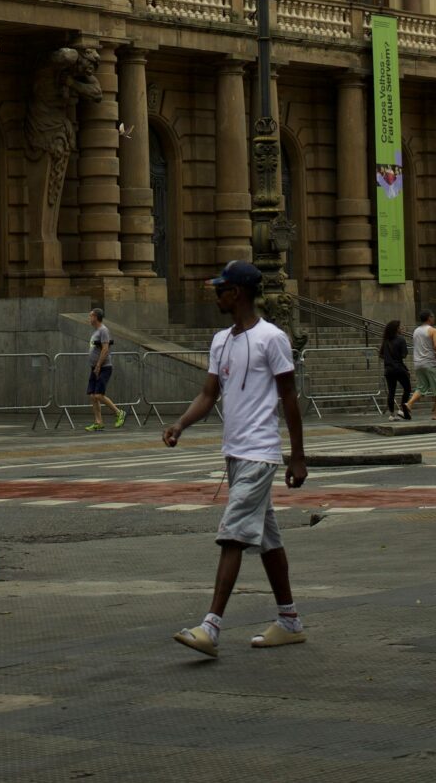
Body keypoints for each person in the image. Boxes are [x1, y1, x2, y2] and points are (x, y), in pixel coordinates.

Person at [163, 260, 308, 657]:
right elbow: (209, 395)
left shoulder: (271, 338)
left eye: (221, 288)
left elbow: (289, 397)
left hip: (260, 454)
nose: (216, 294)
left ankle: (211, 626)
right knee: (268, 541)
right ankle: (290, 621)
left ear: (238, 293)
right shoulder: (221, 340)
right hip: (235, 452)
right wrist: (180, 424)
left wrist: (296, 456)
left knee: (232, 535)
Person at [84, 308, 124, 430]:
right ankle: (98, 422)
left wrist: (99, 365)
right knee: (92, 395)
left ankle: (119, 413)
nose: (89, 318)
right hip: (95, 368)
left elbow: (105, 349)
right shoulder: (96, 331)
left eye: (90, 316)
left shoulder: (103, 330)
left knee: (99, 395)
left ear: (96, 317)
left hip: (103, 367)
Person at [409, 310, 436, 422]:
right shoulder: (433, 330)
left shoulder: (416, 331)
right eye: (433, 316)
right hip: (430, 362)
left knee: (421, 387)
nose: (434, 318)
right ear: (429, 318)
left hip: (418, 363)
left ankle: (408, 404)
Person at [379, 320, 412, 420]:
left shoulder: (386, 340)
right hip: (399, 368)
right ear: (396, 329)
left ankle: (391, 414)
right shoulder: (401, 339)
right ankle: (403, 410)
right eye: (400, 327)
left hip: (388, 369)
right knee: (407, 389)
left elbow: (381, 354)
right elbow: (404, 354)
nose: (402, 329)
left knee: (391, 392)